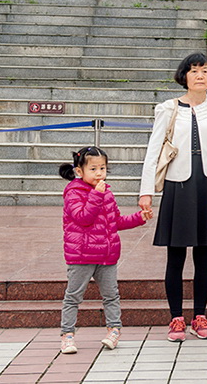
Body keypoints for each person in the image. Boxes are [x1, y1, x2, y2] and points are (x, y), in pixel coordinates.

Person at [139, 53, 207, 343]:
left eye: (204, 70)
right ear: (185, 76)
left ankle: (200, 316)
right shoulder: (167, 109)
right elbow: (153, 151)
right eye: (194, 71)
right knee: (175, 256)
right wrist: (146, 192)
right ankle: (176, 318)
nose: (200, 75)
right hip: (177, 186)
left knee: (204, 256)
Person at [59, 147, 151, 354]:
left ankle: (114, 331)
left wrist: (139, 218)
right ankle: (67, 335)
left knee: (111, 295)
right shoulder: (73, 192)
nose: (99, 173)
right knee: (73, 296)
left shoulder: (106, 192)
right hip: (81, 256)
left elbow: (115, 221)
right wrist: (96, 195)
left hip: (107, 255)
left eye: (103, 168)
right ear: (80, 171)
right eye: (93, 169)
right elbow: (83, 218)